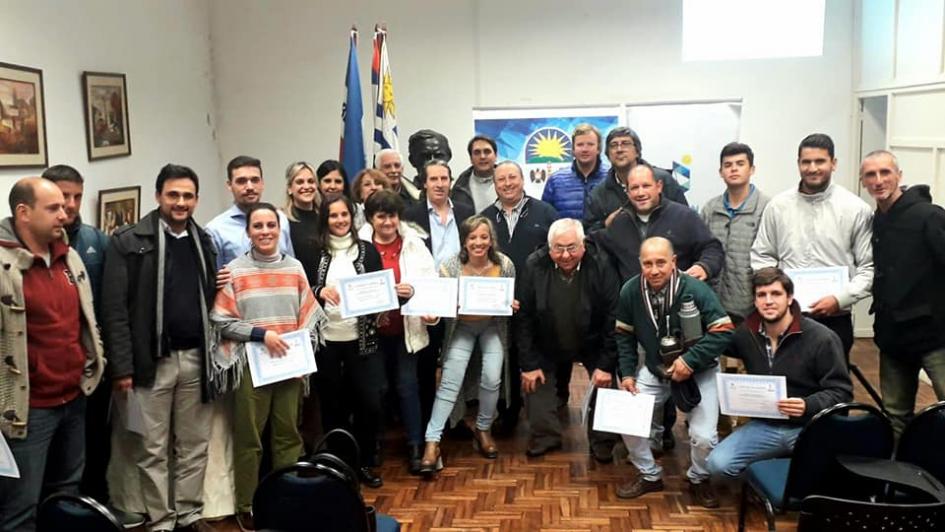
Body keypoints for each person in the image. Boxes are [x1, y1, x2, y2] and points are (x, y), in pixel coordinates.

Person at [101, 164, 219, 532]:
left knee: (194, 445)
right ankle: (162, 521)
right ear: (158, 197)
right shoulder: (128, 242)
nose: (180, 202)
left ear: (196, 200)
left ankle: (189, 514)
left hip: (197, 360)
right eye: (173, 195)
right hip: (148, 365)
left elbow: (210, 295)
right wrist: (122, 368)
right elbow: (114, 310)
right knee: (150, 447)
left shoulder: (203, 241)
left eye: (187, 196)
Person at [210, 202, 327, 531]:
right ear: (248, 232)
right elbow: (222, 322)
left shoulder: (295, 269)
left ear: (279, 229)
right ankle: (247, 504)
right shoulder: (234, 271)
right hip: (250, 366)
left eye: (270, 226)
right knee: (250, 437)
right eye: (257, 226)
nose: (265, 232)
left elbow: (309, 318)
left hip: (289, 365)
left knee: (288, 436)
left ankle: (286, 498)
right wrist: (262, 335)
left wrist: (302, 354)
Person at [0, 177, 105, 532]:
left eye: (65, 205)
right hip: (27, 412)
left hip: (74, 398)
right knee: (20, 508)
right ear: (23, 213)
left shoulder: (68, 256)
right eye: (54, 208)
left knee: (67, 497)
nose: (65, 213)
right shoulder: (4, 265)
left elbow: (84, 320)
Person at [614, 237, 733, 508]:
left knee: (704, 436)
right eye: (647, 264)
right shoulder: (630, 291)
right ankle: (649, 474)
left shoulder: (696, 290)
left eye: (660, 263)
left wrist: (690, 360)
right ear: (640, 264)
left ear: (674, 262)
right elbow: (623, 335)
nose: (654, 270)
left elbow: (724, 330)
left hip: (699, 370)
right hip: (656, 370)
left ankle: (698, 478)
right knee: (625, 419)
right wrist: (628, 374)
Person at [706, 267, 852, 478]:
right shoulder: (746, 335)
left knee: (829, 474)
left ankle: (783, 467)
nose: (768, 301)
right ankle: (772, 466)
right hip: (765, 426)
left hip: (808, 426)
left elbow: (842, 393)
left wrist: (807, 405)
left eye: (776, 294)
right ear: (755, 301)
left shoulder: (822, 338)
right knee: (717, 465)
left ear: (790, 298)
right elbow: (717, 343)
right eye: (761, 295)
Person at [751, 133, 873, 360]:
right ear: (798, 164)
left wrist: (840, 299)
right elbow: (762, 255)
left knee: (832, 387)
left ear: (833, 164)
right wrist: (777, 294)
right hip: (786, 316)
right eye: (806, 162)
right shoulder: (778, 206)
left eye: (820, 161)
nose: (813, 168)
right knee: (788, 384)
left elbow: (869, 267)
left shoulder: (856, 209)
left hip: (835, 317)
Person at [419, 216, 517, 476]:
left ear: (491, 239)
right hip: (461, 328)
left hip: (491, 328)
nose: (479, 242)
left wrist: (511, 304)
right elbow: (440, 305)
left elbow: (508, 302)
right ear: (464, 241)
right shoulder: (450, 267)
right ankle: (432, 441)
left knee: (492, 377)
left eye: (484, 237)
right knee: (450, 381)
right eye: (473, 237)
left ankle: (483, 429)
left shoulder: (504, 264)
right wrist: (443, 309)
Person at [516, 218, 620, 459]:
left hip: (592, 341)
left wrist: (605, 365)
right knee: (533, 387)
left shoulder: (601, 264)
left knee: (607, 385)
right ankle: (546, 436)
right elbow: (525, 318)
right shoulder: (534, 265)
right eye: (558, 248)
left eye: (572, 247)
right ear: (549, 247)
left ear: (583, 245)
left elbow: (613, 318)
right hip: (547, 341)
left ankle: (603, 440)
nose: (565, 255)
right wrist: (529, 365)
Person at [41, 165, 112, 504]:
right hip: (47, 375)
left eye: (77, 197)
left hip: (91, 365)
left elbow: (112, 303)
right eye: (62, 197)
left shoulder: (97, 241)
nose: (69, 205)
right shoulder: (28, 249)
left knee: (95, 442)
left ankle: (94, 510)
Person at [860, 150, 945, 435]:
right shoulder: (877, 220)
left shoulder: (929, 216)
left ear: (899, 176)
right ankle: (899, 475)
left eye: (885, 172)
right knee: (895, 416)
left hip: (935, 336)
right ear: (863, 181)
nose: (879, 180)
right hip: (893, 337)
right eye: (871, 175)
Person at [358, 190, 437, 474]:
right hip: (373, 332)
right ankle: (375, 443)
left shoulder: (415, 244)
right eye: (381, 216)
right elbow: (352, 288)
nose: (387, 222)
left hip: (408, 330)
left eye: (391, 215)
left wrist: (414, 291)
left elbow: (431, 283)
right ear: (371, 218)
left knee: (407, 387)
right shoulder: (360, 246)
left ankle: (416, 445)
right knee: (376, 390)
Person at [310, 195, 386, 488]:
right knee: (333, 405)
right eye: (333, 216)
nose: (340, 220)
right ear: (324, 219)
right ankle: (341, 467)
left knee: (369, 403)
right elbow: (303, 288)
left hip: (362, 341)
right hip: (327, 342)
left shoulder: (368, 250)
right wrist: (319, 290)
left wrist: (383, 300)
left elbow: (380, 288)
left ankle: (365, 461)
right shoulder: (313, 249)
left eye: (344, 215)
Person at [480, 160, 558, 431]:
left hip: (539, 299)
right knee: (506, 356)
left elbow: (556, 254)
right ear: (495, 184)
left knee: (543, 351)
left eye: (512, 177)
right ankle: (509, 410)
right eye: (501, 179)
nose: (507, 183)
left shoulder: (545, 212)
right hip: (499, 303)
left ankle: (550, 407)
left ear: (522, 179)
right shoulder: (485, 217)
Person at [403, 160, 476, 423]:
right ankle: (426, 420)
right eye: (433, 179)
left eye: (444, 178)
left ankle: (455, 420)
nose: (440, 184)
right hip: (427, 300)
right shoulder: (411, 215)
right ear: (424, 183)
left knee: (457, 361)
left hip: (459, 297)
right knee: (426, 363)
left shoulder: (466, 211)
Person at [700, 142, 769, 322]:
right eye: (728, 165)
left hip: (750, 304)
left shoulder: (767, 207)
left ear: (751, 169)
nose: (733, 169)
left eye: (740, 164)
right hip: (713, 302)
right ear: (721, 171)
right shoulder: (710, 209)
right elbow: (700, 251)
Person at [584, 127, 688, 231]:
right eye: (614, 145)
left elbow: (686, 219)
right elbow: (588, 235)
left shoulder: (663, 180)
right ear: (607, 155)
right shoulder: (598, 194)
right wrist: (605, 224)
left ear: (637, 151)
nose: (619, 150)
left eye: (625, 144)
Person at [207, 155, 294, 270]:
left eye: (254, 180)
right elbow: (215, 278)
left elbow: (291, 265)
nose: (249, 187)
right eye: (241, 181)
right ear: (229, 185)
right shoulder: (216, 230)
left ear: (262, 183)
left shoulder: (280, 219)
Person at [542, 124, 608, 219]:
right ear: (573, 149)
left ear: (598, 149)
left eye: (590, 144)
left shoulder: (611, 177)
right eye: (580, 145)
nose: (585, 149)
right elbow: (545, 219)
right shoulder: (556, 181)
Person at [283, 161, 322, 287]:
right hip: (297, 290)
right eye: (300, 182)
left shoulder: (325, 217)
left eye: (311, 181)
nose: (306, 186)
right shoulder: (282, 221)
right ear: (290, 188)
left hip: (327, 292)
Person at [454, 135, 498, 213]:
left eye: (487, 152)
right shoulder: (460, 187)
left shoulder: (510, 181)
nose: (482, 156)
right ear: (471, 158)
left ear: (496, 156)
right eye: (477, 152)